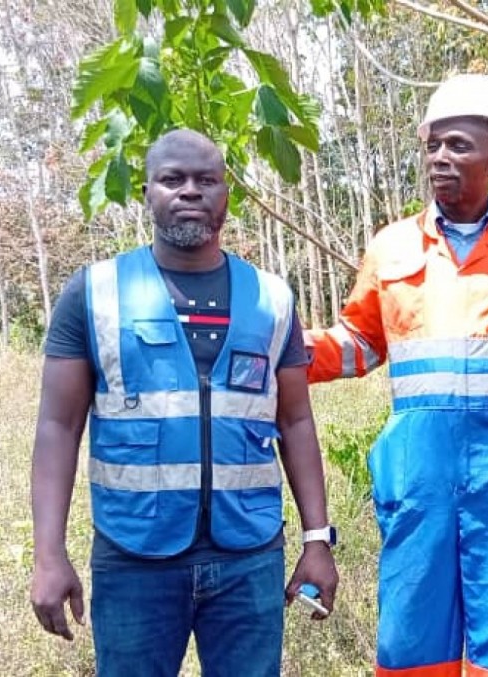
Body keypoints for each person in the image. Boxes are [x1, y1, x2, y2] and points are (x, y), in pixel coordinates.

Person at [28, 129, 339, 677]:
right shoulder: (95, 292)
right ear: (146, 191)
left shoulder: (272, 298)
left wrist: (318, 540)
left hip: (248, 554)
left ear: (226, 195)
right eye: (173, 179)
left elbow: (295, 421)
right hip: (133, 557)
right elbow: (58, 425)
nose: (190, 191)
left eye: (206, 180)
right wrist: (48, 554)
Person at [304, 73, 488, 677]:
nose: (440, 158)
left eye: (458, 145)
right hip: (417, 468)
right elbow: (359, 344)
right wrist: (290, 352)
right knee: (411, 634)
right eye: (433, 145)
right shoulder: (392, 248)